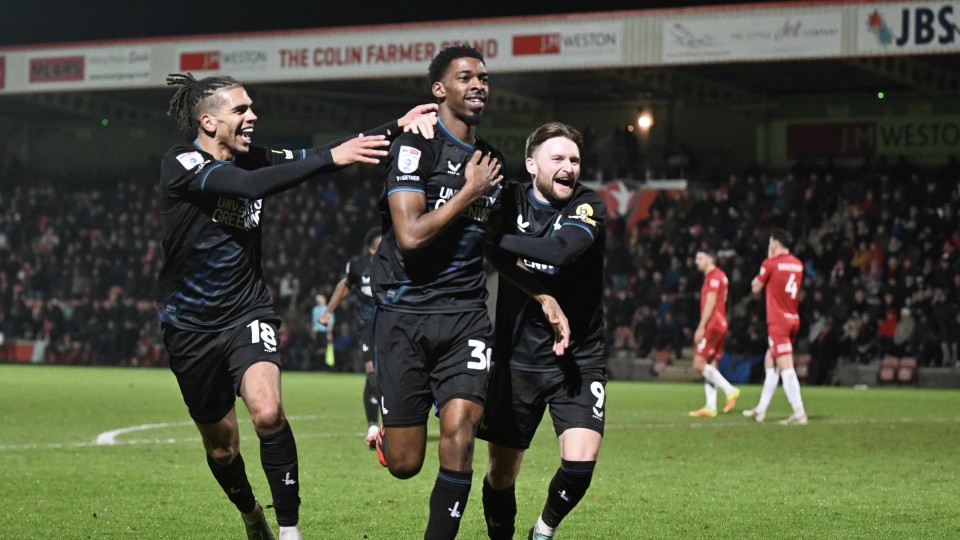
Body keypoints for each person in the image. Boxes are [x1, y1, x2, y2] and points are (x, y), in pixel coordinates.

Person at [157, 72, 437, 540]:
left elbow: (316, 156)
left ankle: (290, 531)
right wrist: (331, 156)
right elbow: (250, 187)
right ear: (208, 121)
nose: (253, 117)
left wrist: (396, 125)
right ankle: (251, 515)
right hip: (190, 326)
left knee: (267, 413)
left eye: (252, 108)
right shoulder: (181, 162)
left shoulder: (251, 157)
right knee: (223, 448)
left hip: (247, 312)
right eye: (241, 110)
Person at [372, 45, 568, 540]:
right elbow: (410, 235)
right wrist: (468, 191)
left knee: (460, 435)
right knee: (405, 463)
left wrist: (540, 292)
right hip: (404, 313)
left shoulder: (493, 164)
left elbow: (494, 248)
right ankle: (388, 434)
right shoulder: (416, 149)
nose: (479, 84)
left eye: (483, 77)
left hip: (465, 318)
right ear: (440, 90)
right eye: (465, 77)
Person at [478, 121, 606, 540]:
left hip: (579, 356)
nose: (569, 166)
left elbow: (561, 250)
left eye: (574, 160)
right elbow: (497, 259)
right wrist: (538, 293)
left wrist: (493, 239)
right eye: (559, 158)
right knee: (501, 473)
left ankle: (543, 531)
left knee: (580, 464)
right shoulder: (510, 199)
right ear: (532, 164)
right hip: (518, 359)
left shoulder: (588, 205)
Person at [319, 227, 382, 447]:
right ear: (373, 245)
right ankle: (373, 425)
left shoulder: (394, 263)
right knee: (372, 374)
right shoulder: (358, 265)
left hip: (392, 325)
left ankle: (392, 424)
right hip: (367, 325)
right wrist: (329, 310)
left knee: (390, 375)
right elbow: (344, 286)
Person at [742, 228, 808, 425]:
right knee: (770, 361)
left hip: (777, 320)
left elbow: (755, 288)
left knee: (785, 366)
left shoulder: (770, 263)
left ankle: (799, 413)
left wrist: (767, 263)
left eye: (770, 244)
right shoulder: (798, 264)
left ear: (775, 244)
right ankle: (761, 409)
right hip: (793, 318)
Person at [688, 248, 740, 417]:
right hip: (720, 323)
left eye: (700, 257)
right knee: (710, 365)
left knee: (698, 364)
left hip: (713, 324)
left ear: (710, 259)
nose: (697, 261)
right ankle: (711, 406)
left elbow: (710, 303)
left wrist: (701, 326)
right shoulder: (720, 275)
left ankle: (730, 390)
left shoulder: (714, 277)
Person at [310, 293, 334, 369]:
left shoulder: (328, 309)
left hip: (324, 331)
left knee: (324, 349)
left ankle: (325, 365)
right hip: (317, 332)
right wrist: (312, 332)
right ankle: (318, 365)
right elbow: (313, 321)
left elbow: (331, 322)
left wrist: (329, 333)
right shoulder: (314, 309)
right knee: (317, 349)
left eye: (319, 297)